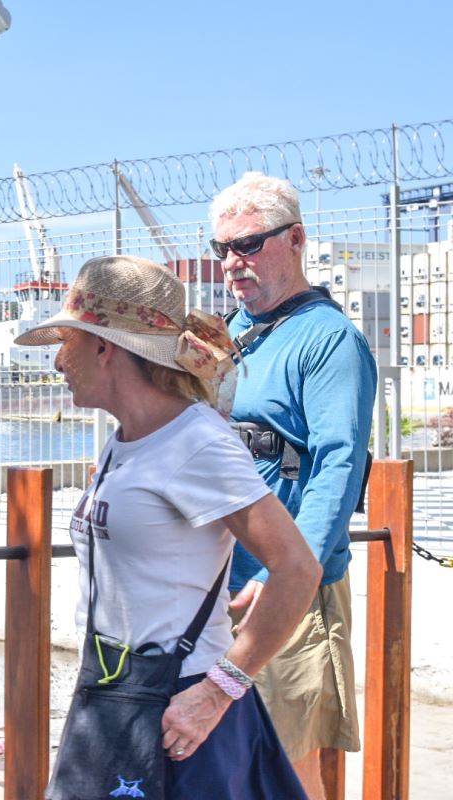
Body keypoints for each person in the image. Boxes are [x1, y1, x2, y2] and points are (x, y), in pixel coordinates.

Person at [15, 255, 320, 798]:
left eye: (67, 342)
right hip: (116, 692)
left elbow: (297, 569)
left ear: (105, 347)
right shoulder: (127, 437)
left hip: (180, 709)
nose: (58, 361)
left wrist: (217, 693)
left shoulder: (197, 442)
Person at [209, 172, 376, 799]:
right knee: (224, 759)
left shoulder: (329, 340)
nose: (232, 263)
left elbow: (339, 466)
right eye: (222, 249)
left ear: (296, 239)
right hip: (222, 584)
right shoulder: (229, 332)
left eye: (248, 245)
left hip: (285, 589)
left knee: (284, 767)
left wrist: (285, 575)